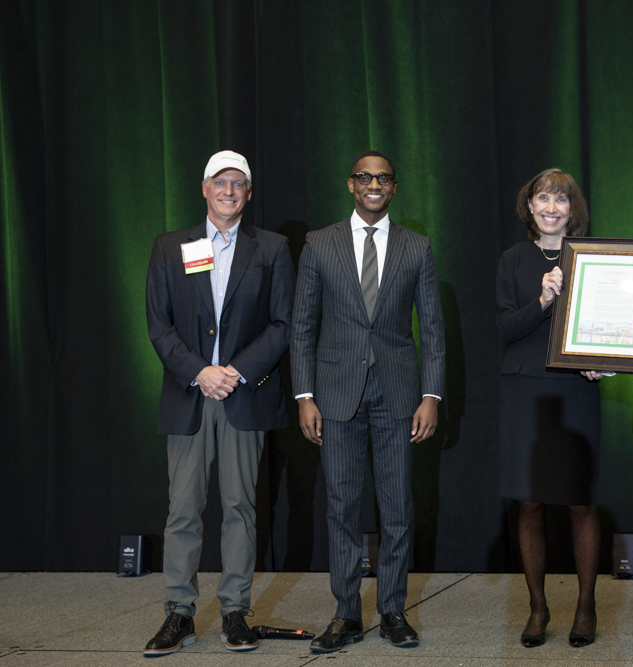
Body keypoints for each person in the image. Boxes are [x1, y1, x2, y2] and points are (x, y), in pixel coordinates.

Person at [291, 151, 445, 652]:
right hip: (335, 397)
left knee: (398, 507)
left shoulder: (417, 247)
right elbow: (302, 327)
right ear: (350, 184)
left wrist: (432, 394)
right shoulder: (319, 244)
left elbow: (434, 331)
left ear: (394, 188)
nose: (373, 184)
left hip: (399, 396)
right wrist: (304, 395)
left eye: (383, 178)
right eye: (365, 177)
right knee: (341, 507)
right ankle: (344, 614)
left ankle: (393, 610)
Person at [143, 150, 295, 656]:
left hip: (242, 395)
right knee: (183, 510)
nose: (229, 191)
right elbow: (159, 326)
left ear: (248, 193)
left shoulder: (272, 249)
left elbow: (283, 324)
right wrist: (199, 372)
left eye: (238, 184)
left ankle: (234, 612)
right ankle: (178, 615)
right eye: (220, 182)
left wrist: (235, 372)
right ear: (204, 189)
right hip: (190, 394)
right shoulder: (170, 247)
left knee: (239, 507)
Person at [497, 168, 604, 649]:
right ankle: (538, 607)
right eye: (543, 198)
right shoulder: (513, 260)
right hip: (526, 391)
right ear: (530, 205)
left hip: (577, 390)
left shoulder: (595, 259)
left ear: (572, 209)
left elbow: (607, 325)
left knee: (581, 501)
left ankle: (586, 605)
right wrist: (542, 299)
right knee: (530, 501)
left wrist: (603, 362)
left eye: (561, 200)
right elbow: (503, 330)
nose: (552, 207)